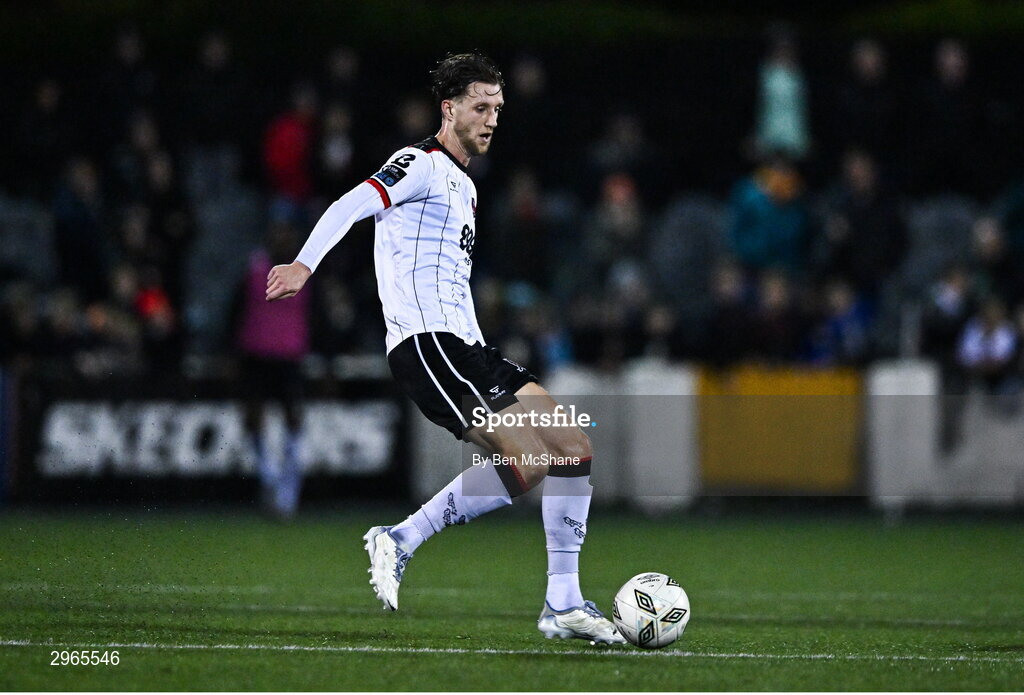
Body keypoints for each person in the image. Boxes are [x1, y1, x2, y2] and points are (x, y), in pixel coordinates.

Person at [265, 52, 623, 645]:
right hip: (427, 346)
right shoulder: (421, 163)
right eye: (480, 107)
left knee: (572, 447)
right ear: (449, 108)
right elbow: (352, 203)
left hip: (470, 348)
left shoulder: (465, 184)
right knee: (528, 460)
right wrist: (306, 263)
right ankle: (400, 538)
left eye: (498, 110)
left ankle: (562, 602)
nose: (490, 120)